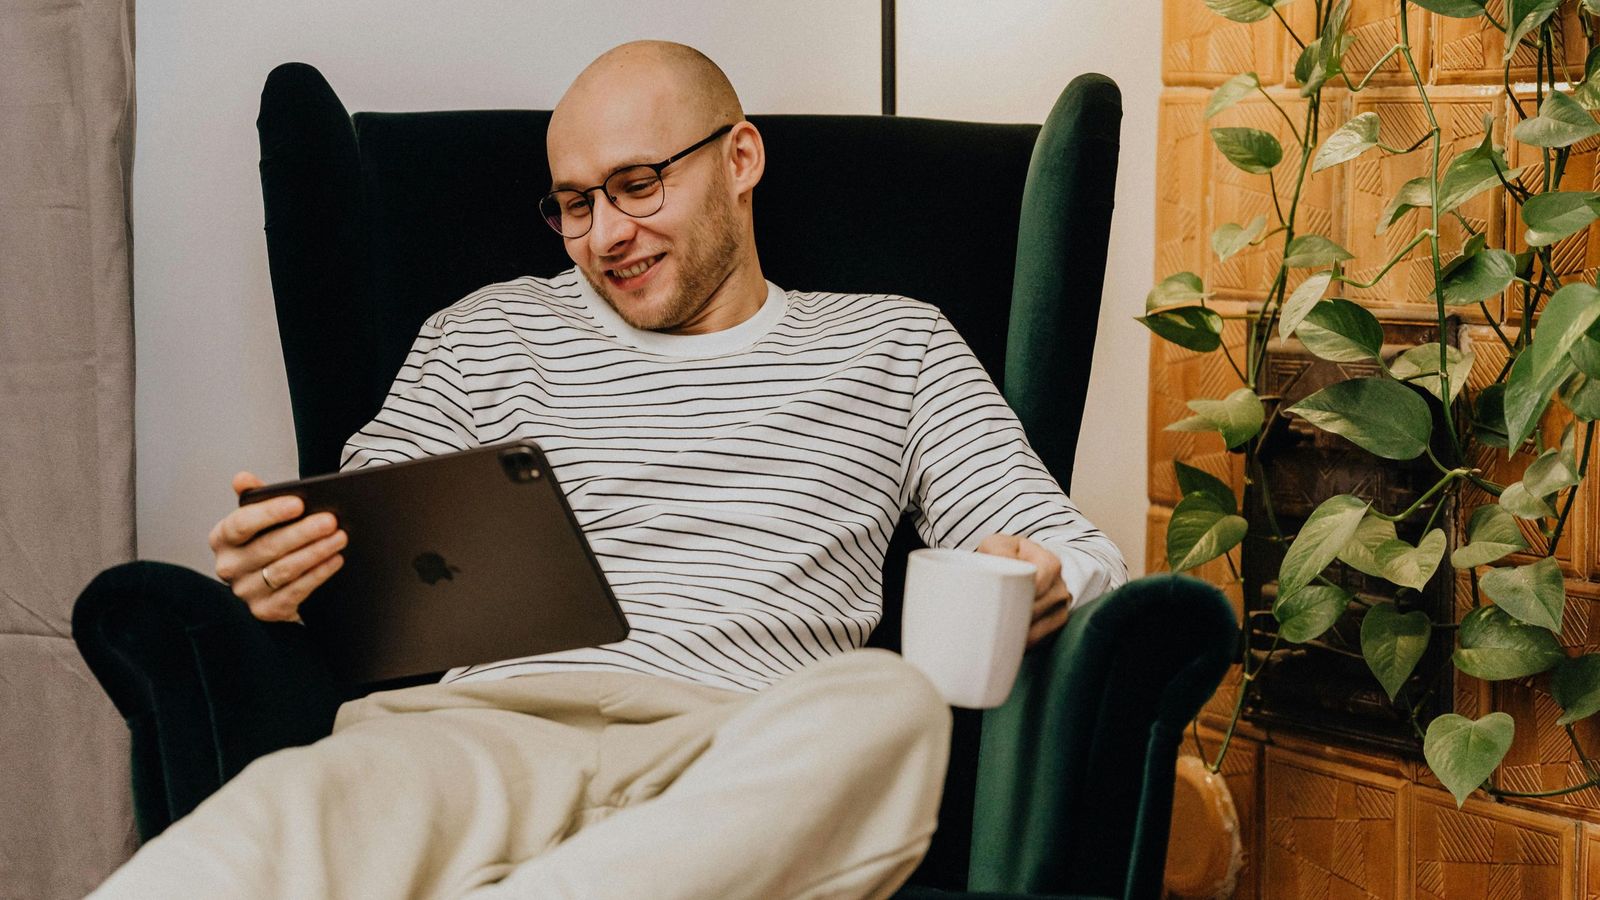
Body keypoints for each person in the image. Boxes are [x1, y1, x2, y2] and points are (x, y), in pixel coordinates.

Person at [85, 40, 1126, 899]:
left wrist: (1043, 577)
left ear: (740, 158)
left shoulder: (894, 346)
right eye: (574, 204)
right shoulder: (484, 332)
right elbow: (362, 535)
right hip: (477, 738)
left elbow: (1075, 550)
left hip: (744, 747)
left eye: (637, 186)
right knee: (279, 817)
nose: (606, 236)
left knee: (888, 706)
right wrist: (285, 567)